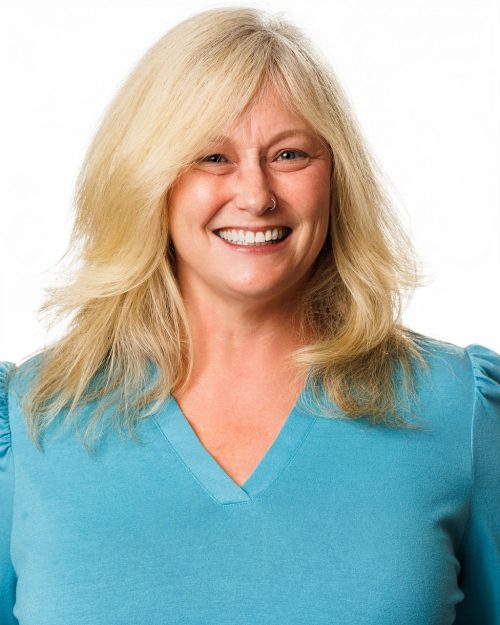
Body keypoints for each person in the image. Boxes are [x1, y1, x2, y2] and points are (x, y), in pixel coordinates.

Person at [1, 6, 498, 625]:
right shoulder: (32, 421)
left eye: (289, 155)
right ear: (147, 179)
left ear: (336, 177)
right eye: (212, 158)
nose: (257, 195)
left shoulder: (458, 410)